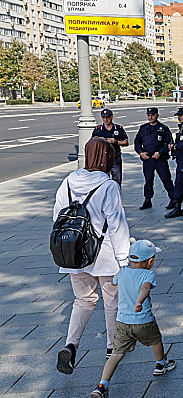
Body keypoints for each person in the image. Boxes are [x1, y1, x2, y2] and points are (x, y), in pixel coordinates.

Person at [54, 137, 130, 375]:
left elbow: (57, 217)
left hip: (74, 254)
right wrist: (125, 261)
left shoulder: (68, 182)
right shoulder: (108, 186)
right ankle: (111, 347)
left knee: (83, 300)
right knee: (111, 302)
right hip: (104, 255)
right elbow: (117, 225)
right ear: (107, 158)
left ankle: (71, 345)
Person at [90, 239, 176, 398]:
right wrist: (139, 302)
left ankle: (102, 386)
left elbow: (114, 281)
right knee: (156, 340)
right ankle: (160, 364)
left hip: (122, 322)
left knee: (116, 354)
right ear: (150, 261)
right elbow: (145, 288)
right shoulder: (148, 274)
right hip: (143, 320)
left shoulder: (123, 272)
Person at [134, 108, 175, 210]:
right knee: (148, 180)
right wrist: (140, 153)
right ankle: (148, 199)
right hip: (147, 158)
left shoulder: (163, 128)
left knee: (166, 179)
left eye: (152, 115)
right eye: (148, 115)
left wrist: (160, 152)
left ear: (157, 115)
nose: (150, 117)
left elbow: (169, 143)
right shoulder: (143, 128)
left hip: (159, 158)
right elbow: (137, 142)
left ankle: (174, 199)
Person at [91, 109, 128, 186]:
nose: (106, 119)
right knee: (102, 181)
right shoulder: (98, 130)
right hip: (102, 159)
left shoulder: (118, 128)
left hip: (115, 157)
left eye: (107, 117)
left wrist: (116, 142)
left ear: (112, 117)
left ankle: (116, 197)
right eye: (103, 117)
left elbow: (126, 142)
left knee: (117, 181)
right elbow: (92, 144)